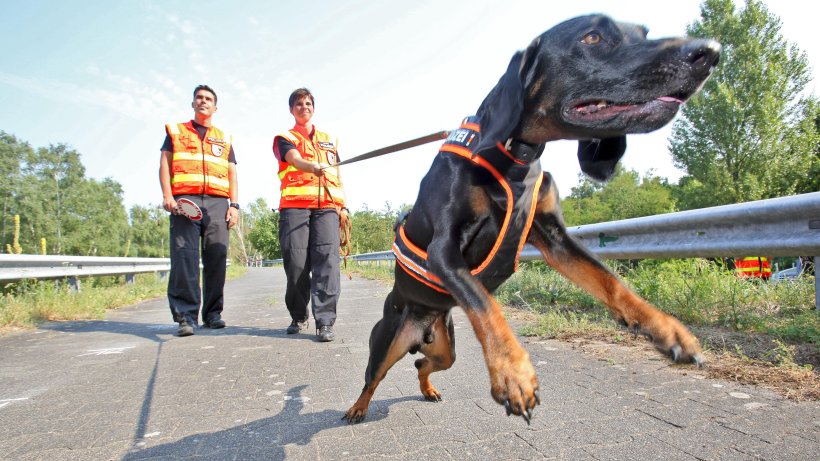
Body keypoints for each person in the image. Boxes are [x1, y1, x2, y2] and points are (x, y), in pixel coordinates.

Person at [159, 84, 240, 336]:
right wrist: (168, 196)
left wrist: (234, 205)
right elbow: (165, 163)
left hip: (217, 202)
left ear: (215, 107)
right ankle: (186, 316)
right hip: (185, 201)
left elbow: (232, 173)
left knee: (216, 258)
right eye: (199, 98)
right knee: (185, 258)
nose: (203, 101)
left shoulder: (224, 138)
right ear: (193, 103)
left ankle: (213, 314)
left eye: (208, 99)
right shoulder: (177, 132)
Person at [273, 88, 347, 342]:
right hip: (294, 207)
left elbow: (336, 174)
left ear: (313, 107)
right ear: (292, 109)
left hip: (326, 206)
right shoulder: (284, 137)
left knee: (327, 262)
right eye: (298, 104)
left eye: (308, 103)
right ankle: (298, 314)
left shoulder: (329, 140)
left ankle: (325, 322)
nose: (304, 107)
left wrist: (343, 205)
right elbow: (293, 159)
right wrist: (310, 165)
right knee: (296, 265)